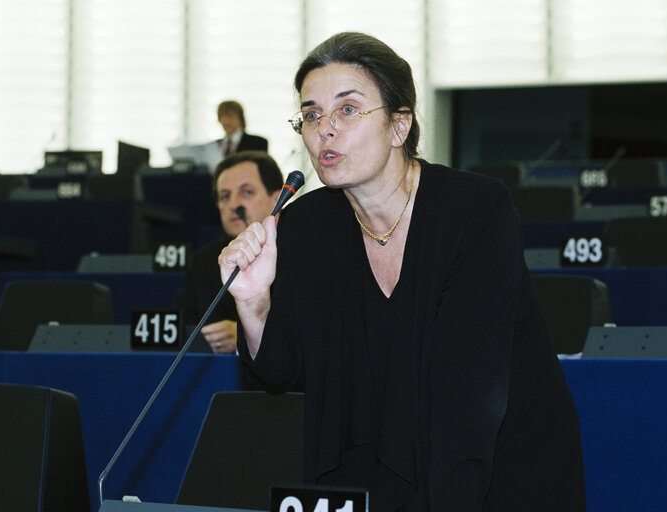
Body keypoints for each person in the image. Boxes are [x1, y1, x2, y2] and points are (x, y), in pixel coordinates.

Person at [219, 32, 586, 510]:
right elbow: (281, 375)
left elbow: (470, 404)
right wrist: (253, 301)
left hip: (497, 474)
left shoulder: (474, 211)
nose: (324, 129)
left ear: (399, 126)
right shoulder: (308, 226)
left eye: (347, 109)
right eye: (311, 115)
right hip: (369, 479)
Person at [174, 150, 283, 354]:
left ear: (277, 199)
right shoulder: (204, 261)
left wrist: (247, 336)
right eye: (225, 196)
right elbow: (184, 332)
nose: (233, 205)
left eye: (247, 192)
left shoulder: (304, 253)